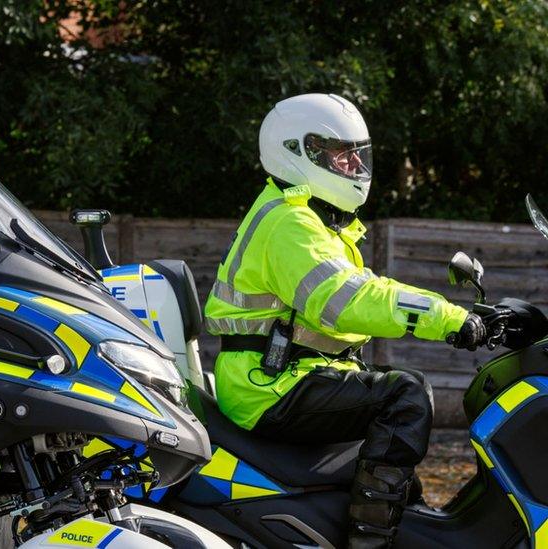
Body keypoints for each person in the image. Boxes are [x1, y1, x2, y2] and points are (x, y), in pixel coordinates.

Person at [204, 93, 487, 548]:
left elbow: (358, 287)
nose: (354, 163)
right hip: (269, 386)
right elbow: (346, 299)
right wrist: (446, 318)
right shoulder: (289, 224)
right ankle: (368, 543)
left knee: (401, 470)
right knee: (407, 396)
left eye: (358, 151)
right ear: (297, 151)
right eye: (340, 151)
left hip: (291, 375)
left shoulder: (311, 220)